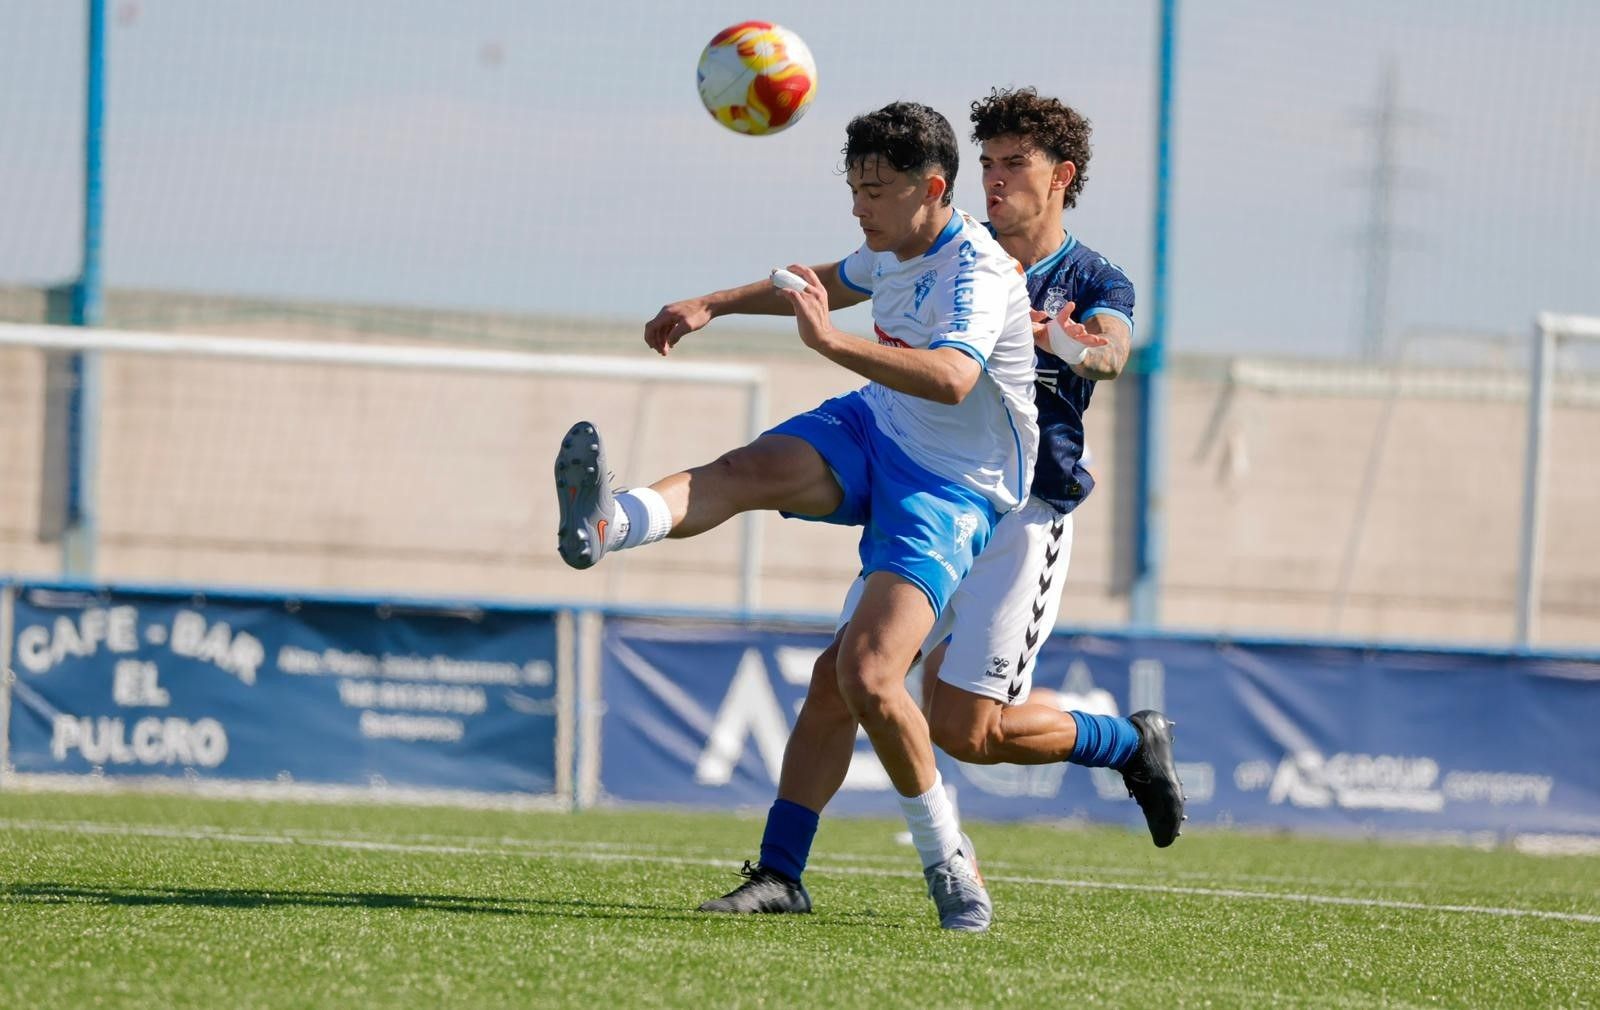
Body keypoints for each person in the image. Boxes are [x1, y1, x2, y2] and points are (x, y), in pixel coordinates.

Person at [685, 88, 1188, 933]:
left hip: (1024, 515)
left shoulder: (1094, 276)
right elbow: (834, 281)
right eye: (984, 164)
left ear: (1061, 178)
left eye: (1013, 165)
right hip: (933, 490)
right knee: (841, 679)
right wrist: (714, 302)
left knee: (967, 731)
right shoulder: (953, 247)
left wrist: (1061, 338)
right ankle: (779, 871)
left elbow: (1110, 354)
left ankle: (1127, 744)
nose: (993, 180)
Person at [556, 101, 1040, 931]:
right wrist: (713, 301)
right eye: (853, 188)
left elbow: (955, 379)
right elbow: (821, 283)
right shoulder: (892, 244)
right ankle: (610, 525)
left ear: (932, 189)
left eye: (876, 191)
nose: (860, 207)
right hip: (877, 426)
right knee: (745, 470)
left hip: (953, 487)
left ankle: (950, 861)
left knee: (862, 678)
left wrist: (826, 342)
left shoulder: (981, 274)